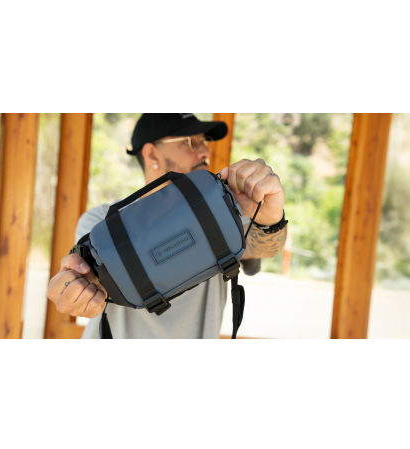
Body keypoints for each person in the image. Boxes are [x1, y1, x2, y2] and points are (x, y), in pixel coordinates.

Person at [47, 114, 287, 338]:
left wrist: (269, 217)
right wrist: (80, 291)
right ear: (152, 154)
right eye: (189, 142)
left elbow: (264, 248)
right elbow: (93, 283)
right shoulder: (101, 225)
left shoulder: (221, 212)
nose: (205, 150)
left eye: (203, 141)